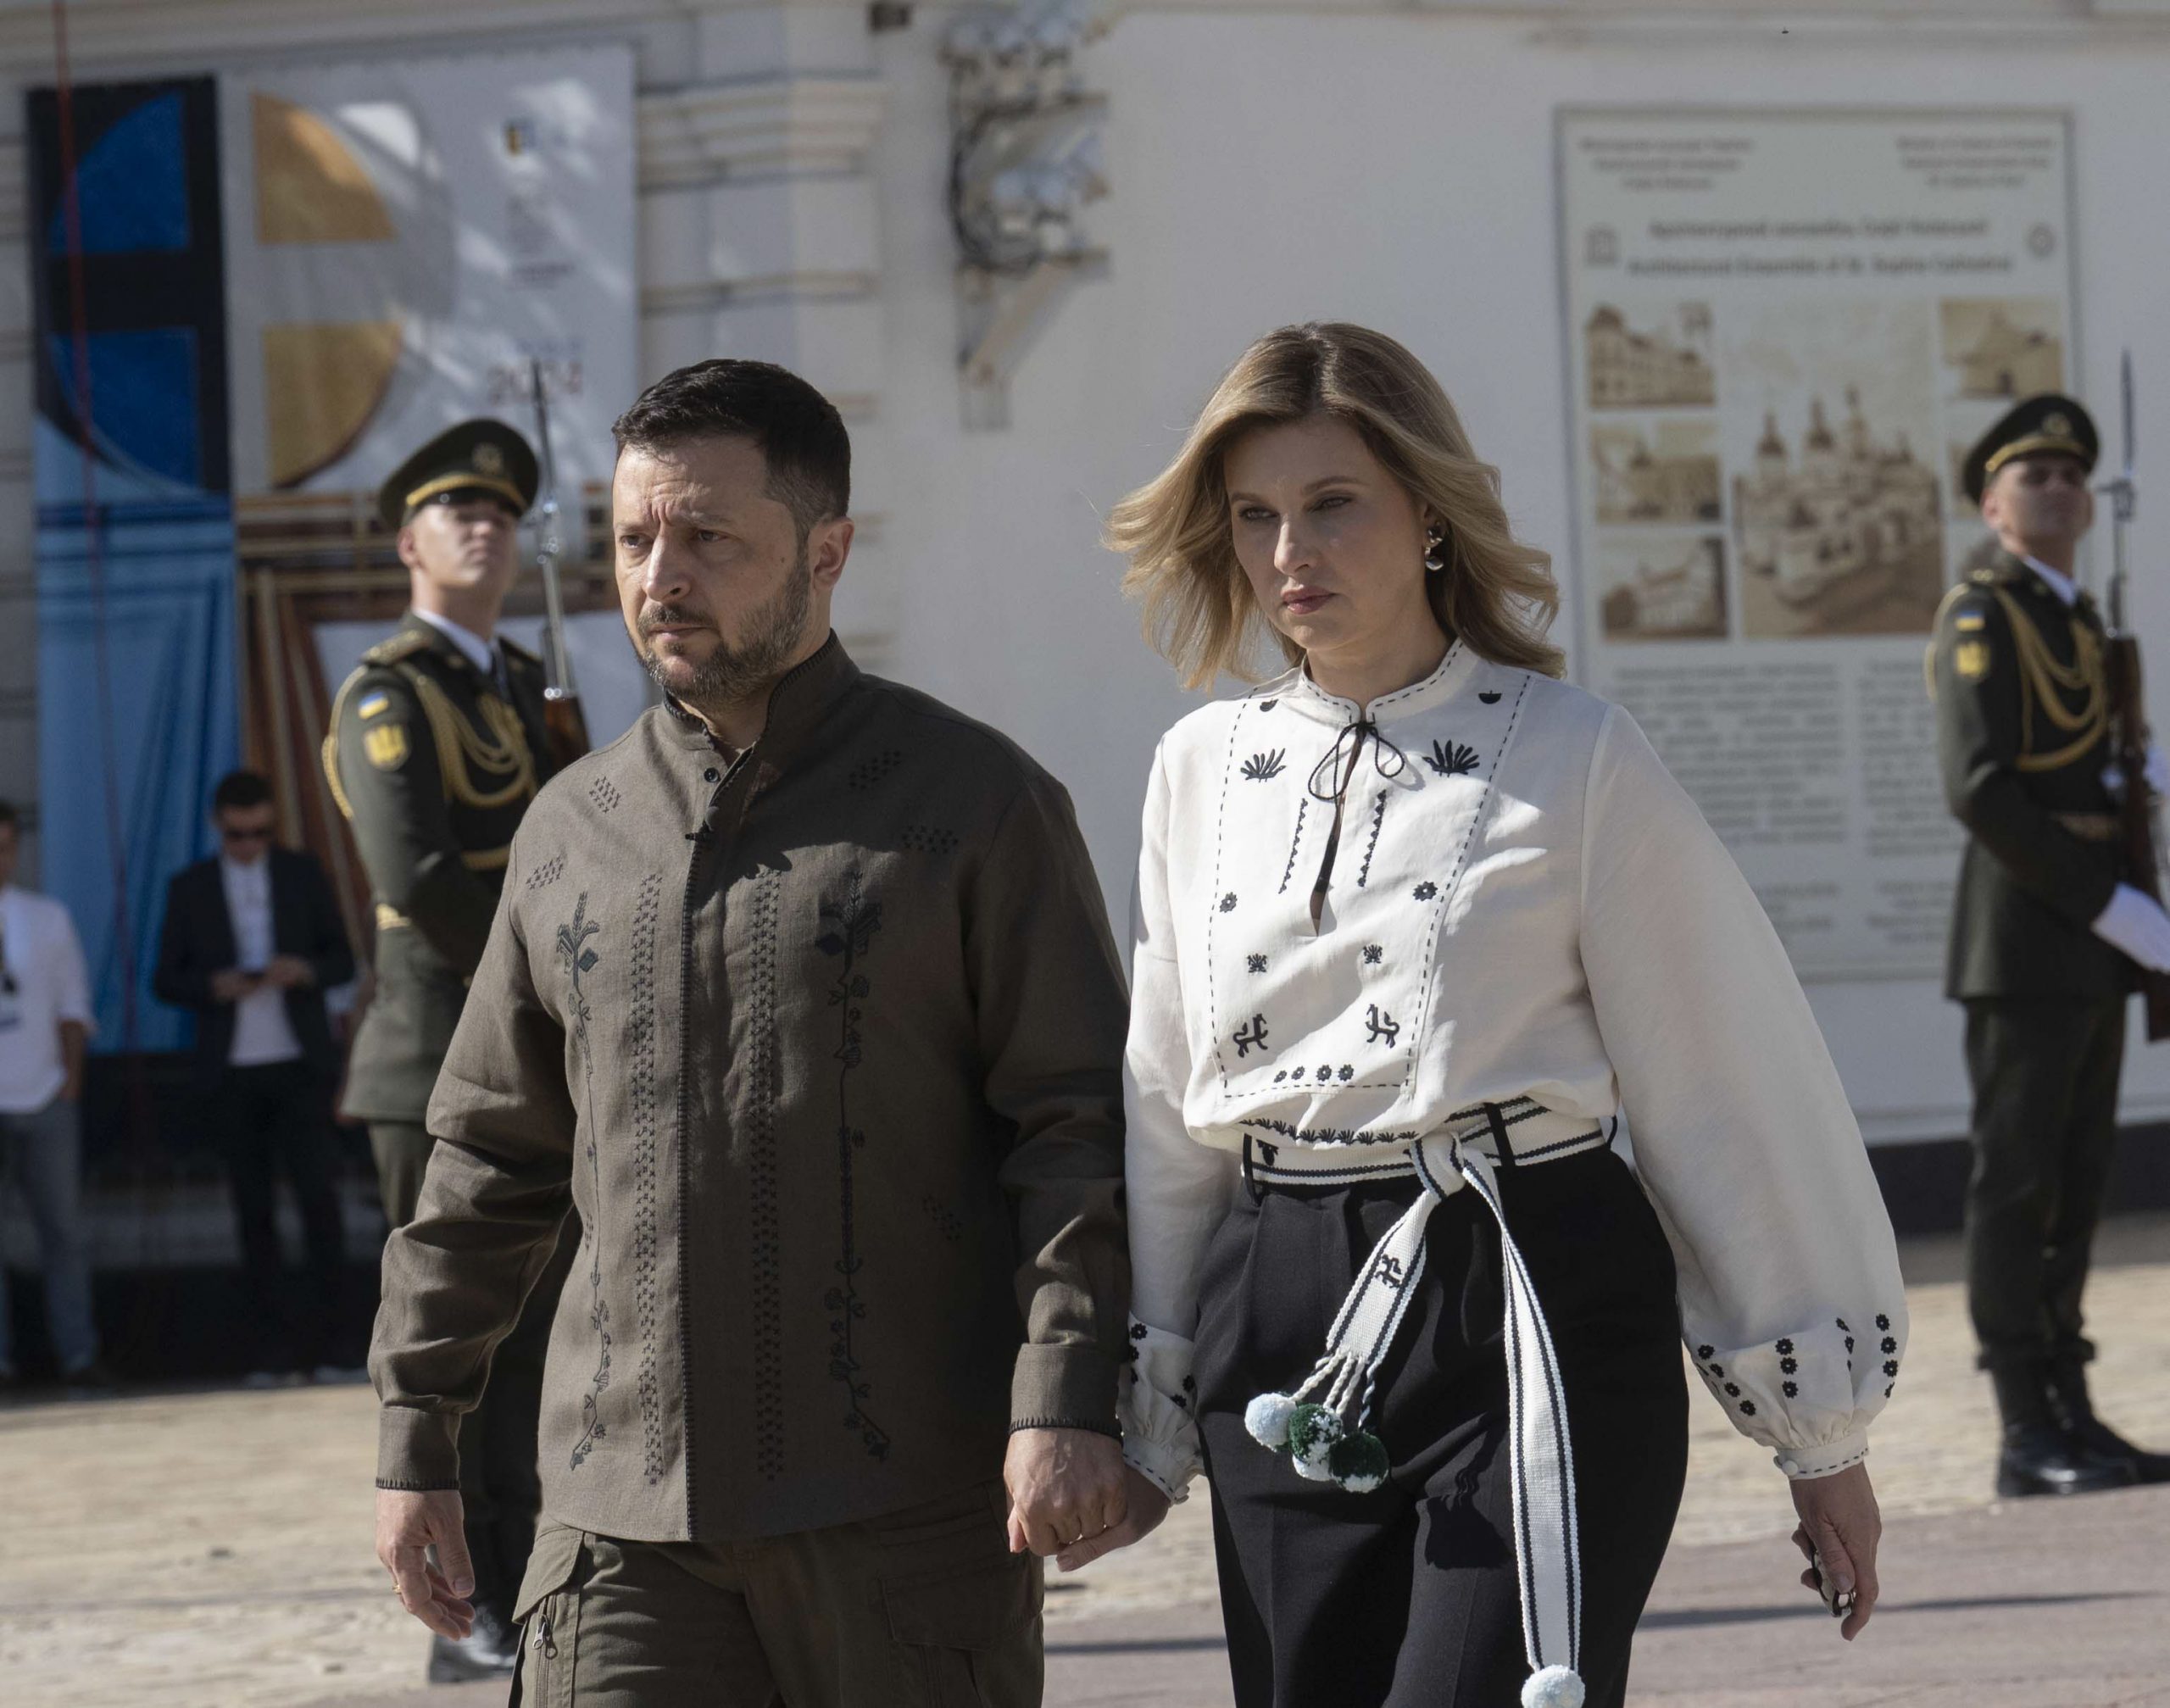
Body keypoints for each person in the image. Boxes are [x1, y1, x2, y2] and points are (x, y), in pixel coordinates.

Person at [1079, 324, 1903, 1708]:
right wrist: (1156, 1401)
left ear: (1430, 517)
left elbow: (1724, 1086)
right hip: (1277, 1318)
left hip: (1526, 1296)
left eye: (1334, 504)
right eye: (1257, 516)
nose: (1293, 552)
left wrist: (1822, 1441)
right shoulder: (1199, 769)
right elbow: (1169, 1107)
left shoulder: (1576, 756)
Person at [368, 359, 1132, 1706]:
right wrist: (414, 1433)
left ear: (827, 550)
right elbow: (486, 1158)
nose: (663, 574)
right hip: (618, 1530)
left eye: (711, 537)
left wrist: (1063, 1393)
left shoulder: (977, 803)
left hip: (905, 1517)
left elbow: (1071, 1123)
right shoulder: (569, 830)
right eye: (636, 537)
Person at [325, 418, 570, 1682]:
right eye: (454, 512)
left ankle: (527, 1581)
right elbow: (417, 870)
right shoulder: (388, 692)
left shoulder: (530, 684)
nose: (483, 528)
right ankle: (458, 1603)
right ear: (410, 541)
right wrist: (556, 974)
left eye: (500, 513)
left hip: (537, 1056)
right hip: (436, 1055)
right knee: (449, 1340)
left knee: (535, 1333)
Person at [1928, 394, 2170, 1497]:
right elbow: (1979, 789)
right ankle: (2026, 1425)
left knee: (2078, 1179)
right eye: (2036, 475)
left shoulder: (2080, 623)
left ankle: (2074, 1409)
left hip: (2087, 930)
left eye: (2074, 473)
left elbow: (2086, 769)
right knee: (2018, 1180)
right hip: (2028, 930)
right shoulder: (1981, 614)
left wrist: (2133, 792)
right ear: (1993, 503)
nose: (2061, 487)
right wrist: (2108, 901)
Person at [153, 771, 356, 1381]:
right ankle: (270, 1351)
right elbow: (165, 977)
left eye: (261, 833)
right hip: (232, 1071)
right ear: (219, 825)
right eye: (240, 834)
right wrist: (212, 986)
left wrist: (303, 971)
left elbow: (341, 956)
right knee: (253, 1212)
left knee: (321, 1204)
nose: (250, 844)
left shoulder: (300, 872)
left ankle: (338, 1346)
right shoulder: (190, 886)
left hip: (299, 1064)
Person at [0, 799, 113, 1394]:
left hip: (44, 1096)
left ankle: (77, 1354)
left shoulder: (46, 917)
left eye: (6, 847)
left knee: (63, 1234)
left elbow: (73, 1007)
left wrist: (69, 1084)